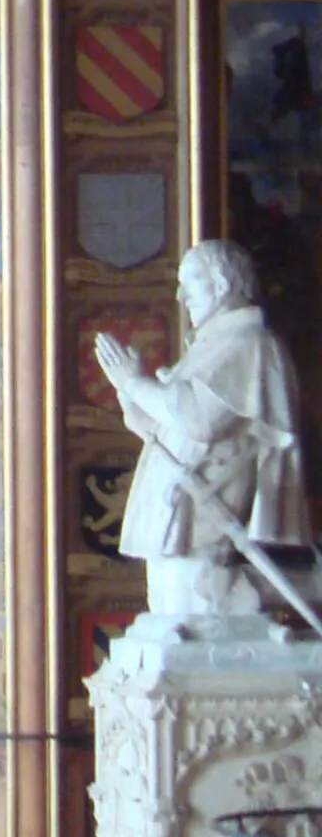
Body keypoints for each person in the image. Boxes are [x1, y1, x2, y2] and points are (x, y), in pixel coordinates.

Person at [96, 239, 311, 621]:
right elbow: (158, 429)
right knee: (168, 616)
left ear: (223, 284)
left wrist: (137, 386)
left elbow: (199, 422)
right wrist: (131, 389)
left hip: (204, 517)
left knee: (190, 614)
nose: (181, 296)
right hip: (177, 517)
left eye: (190, 281)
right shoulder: (212, 347)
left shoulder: (250, 345)